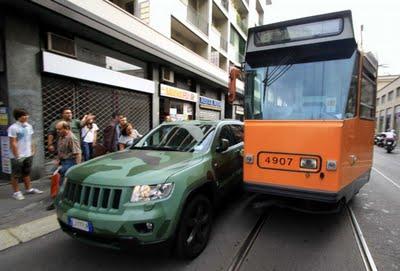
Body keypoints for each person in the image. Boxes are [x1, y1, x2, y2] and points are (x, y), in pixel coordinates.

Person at [8, 108, 43, 200]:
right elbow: (13, 142)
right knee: (16, 175)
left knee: (26, 173)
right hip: (18, 155)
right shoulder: (13, 128)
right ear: (18, 117)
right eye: (24, 115)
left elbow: (31, 139)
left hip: (28, 154)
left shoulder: (29, 126)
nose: (26, 116)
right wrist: (17, 155)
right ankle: (16, 192)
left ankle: (29, 189)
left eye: (27, 115)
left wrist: (33, 149)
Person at [46, 121, 81, 210]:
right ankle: (63, 199)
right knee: (55, 178)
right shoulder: (61, 136)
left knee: (62, 182)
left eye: (59, 129)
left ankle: (60, 202)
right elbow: (60, 150)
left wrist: (77, 167)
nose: (57, 131)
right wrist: (58, 159)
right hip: (63, 161)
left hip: (70, 161)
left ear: (66, 128)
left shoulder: (71, 138)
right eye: (57, 129)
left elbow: (77, 153)